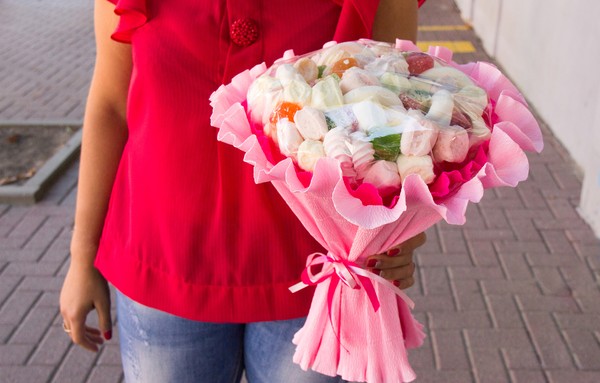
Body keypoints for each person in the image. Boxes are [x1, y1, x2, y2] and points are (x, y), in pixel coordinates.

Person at [59, 0, 428, 382]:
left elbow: (398, 117)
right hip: (164, 260)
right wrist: (81, 255)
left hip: (318, 271)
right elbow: (111, 107)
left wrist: (400, 231)